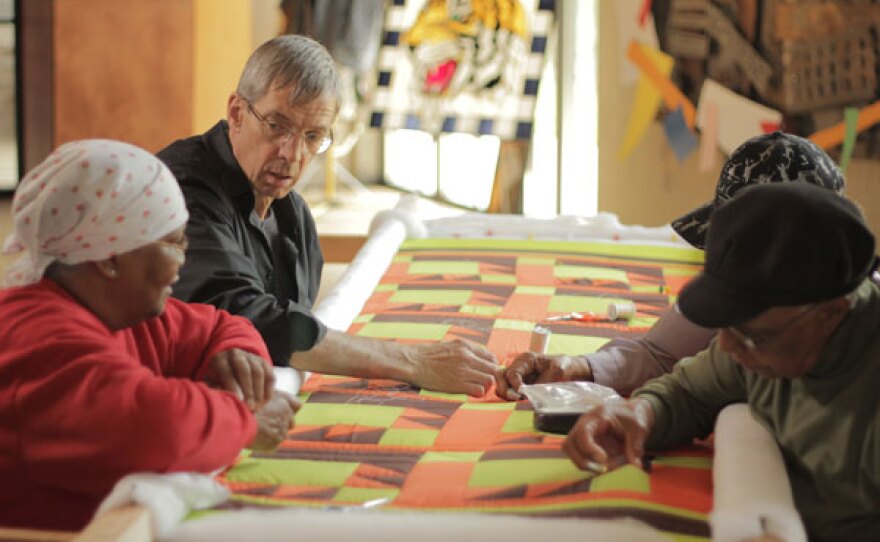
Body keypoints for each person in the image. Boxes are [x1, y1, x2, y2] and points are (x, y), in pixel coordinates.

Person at [158, 35, 497, 396]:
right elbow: (245, 319)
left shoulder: (294, 217)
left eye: (312, 136)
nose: (292, 154)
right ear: (237, 113)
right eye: (277, 126)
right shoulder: (180, 189)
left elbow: (289, 339)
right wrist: (414, 362)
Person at [0, 140, 300, 531]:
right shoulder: (35, 337)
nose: (184, 259)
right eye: (173, 242)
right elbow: (157, 427)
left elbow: (219, 325)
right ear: (111, 256)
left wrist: (238, 356)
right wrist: (246, 420)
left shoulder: (114, 309)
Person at [563, 182, 880, 542]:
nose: (728, 345)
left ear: (830, 315)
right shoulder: (759, 347)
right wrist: (642, 412)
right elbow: (688, 392)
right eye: (722, 326)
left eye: (751, 334)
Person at [495, 131, 847, 399]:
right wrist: (576, 367)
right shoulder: (734, 294)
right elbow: (661, 355)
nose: (729, 266)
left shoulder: (858, 337)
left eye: (746, 248)